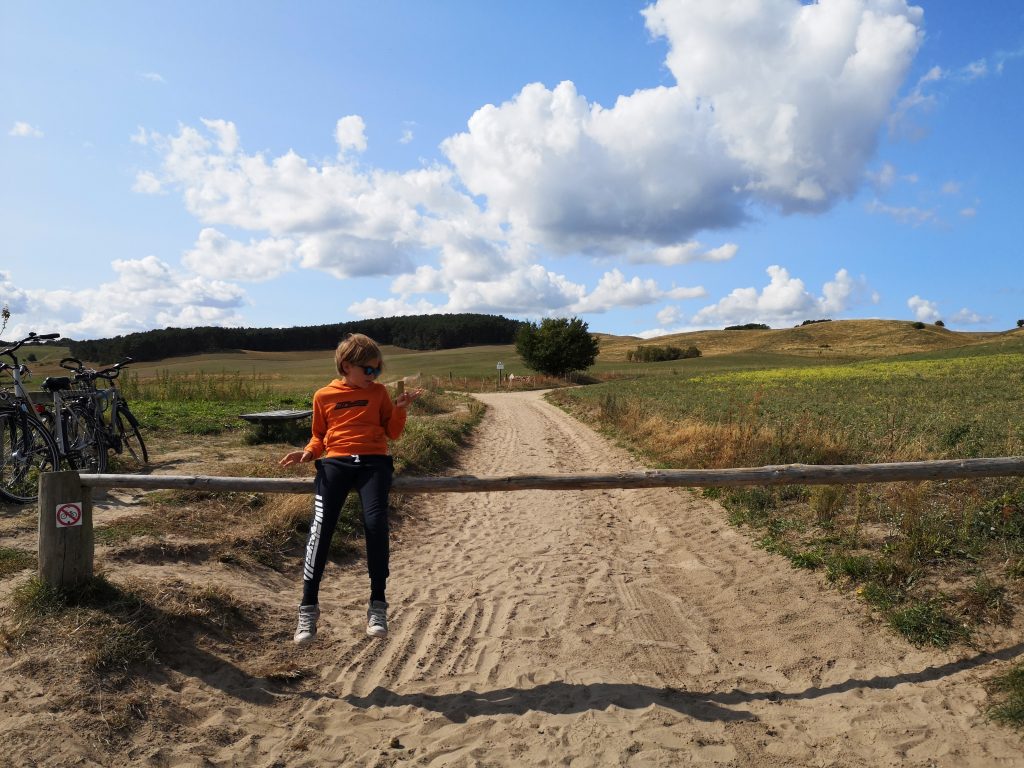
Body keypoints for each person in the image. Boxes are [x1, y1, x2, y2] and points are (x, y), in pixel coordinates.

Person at [280, 333, 423, 646]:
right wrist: (307, 452)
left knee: (375, 523)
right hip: (336, 463)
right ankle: (307, 608)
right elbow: (319, 436)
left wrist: (400, 408)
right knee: (321, 527)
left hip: (374, 463)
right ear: (346, 366)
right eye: (368, 370)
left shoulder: (380, 394)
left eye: (377, 370)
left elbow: (393, 433)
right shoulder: (323, 396)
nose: (373, 376)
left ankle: (378, 605)